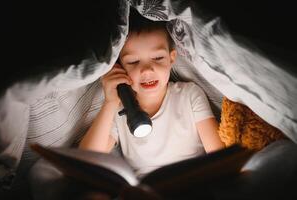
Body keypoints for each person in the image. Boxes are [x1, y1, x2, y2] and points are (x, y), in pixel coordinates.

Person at [79, 9, 224, 177]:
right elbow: (85, 160)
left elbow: (219, 157)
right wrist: (110, 103)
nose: (147, 70)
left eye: (157, 58)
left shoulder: (189, 95)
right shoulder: (119, 111)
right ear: (119, 67)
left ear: (172, 58)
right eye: (133, 61)